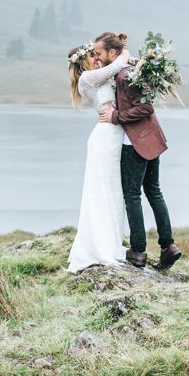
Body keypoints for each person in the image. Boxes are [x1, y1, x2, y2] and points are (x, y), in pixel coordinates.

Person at [96, 32, 182, 270]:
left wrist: (116, 116)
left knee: (132, 195)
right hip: (152, 138)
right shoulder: (128, 69)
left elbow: (145, 107)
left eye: (100, 53)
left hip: (134, 144)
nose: (97, 56)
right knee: (154, 192)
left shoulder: (124, 76)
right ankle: (168, 246)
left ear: (112, 53)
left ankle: (138, 252)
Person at [65, 36, 131, 272]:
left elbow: (120, 70)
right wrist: (123, 51)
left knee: (114, 192)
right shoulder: (86, 78)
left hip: (114, 137)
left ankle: (112, 245)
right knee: (101, 192)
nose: (96, 58)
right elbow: (119, 65)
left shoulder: (101, 75)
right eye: (91, 56)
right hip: (104, 139)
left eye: (96, 54)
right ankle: (100, 248)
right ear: (82, 62)